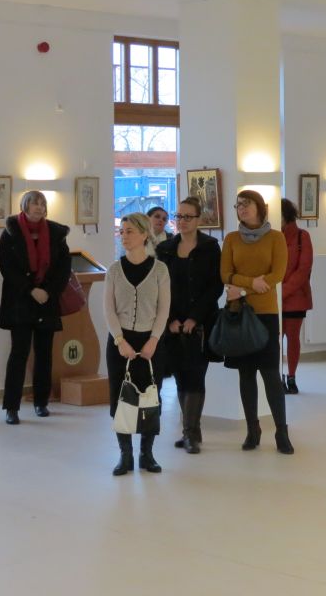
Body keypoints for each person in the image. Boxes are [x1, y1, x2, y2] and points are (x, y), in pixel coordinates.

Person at [220, 190, 294, 453]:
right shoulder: (231, 239)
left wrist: (240, 289)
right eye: (238, 205)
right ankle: (253, 430)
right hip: (239, 313)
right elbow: (226, 274)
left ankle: (281, 431)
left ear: (260, 208)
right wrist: (250, 284)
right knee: (246, 374)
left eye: (246, 204)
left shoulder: (276, 237)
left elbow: (277, 274)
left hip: (266, 314)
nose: (241, 208)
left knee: (271, 374)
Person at [105, 213, 171, 475]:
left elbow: (163, 309)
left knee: (149, 396)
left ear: (145, 234)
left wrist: (154, 339)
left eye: (130, 231)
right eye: (122, 231)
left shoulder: (160, 270)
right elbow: (108, 310)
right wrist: (119, 340)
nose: (124, 236)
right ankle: (125, 455)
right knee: (120, 397)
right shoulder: (114, 270)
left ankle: (147, 453)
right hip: (121, 342)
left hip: (150, 342)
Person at [0, 190, 71, 425]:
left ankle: (41, 402)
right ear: (24, 206)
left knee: (44, 354)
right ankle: (11, 407)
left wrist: (47, 291)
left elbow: (63, 268)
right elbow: (7, 268)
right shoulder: (11, 232)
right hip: (20, 300)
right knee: (18, 354)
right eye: (34, 203)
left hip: (47, 301)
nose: (39, 207)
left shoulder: (57, 233)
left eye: (42, 204)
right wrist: (31, 289)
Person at [155, 196, 222, 454]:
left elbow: (214, 286)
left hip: (201, 323)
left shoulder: (210, 247)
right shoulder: (165, 249)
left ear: (199, 219)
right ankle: (190, 429)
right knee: (180, 376)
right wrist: (171, 319)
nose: (181, 221)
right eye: (179, 216)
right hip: (172, 323)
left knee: (196, 375)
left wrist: (195, 317)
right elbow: (160, 287)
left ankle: (190, 432)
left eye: (187, 217)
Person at [280, 198, 313, 394]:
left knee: (293, 338)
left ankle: (291, 377)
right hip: (272, 297)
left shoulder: (302, 236)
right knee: (274, 341)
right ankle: (277, 377)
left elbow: (303, 269)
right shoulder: (271, 236)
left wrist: (283, 291)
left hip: (295, 298)